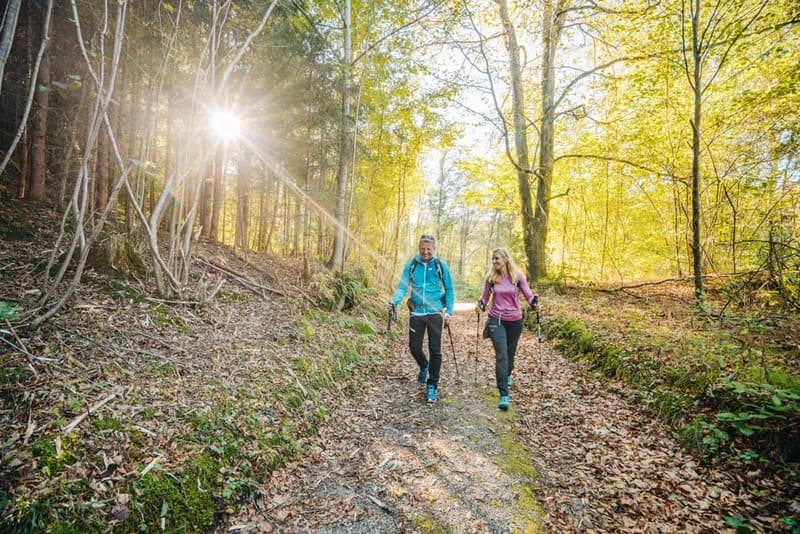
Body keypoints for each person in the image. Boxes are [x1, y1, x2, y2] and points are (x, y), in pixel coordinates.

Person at [388, 234, 455, 404]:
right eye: (423, 249)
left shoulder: (440, 266)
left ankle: (432, 385)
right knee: (414, 347)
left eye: (429, 249)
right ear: (419, 248)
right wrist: (394, 301)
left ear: (434, 249)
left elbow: (449, 289)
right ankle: (424, 365)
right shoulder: (412, 265)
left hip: (434, 313)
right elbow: (403, 286)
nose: (425, 252)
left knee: (435, 350)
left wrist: (449, 311)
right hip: (416, 312)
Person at [477, 247, 538, 411]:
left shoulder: (517, 277)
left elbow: (528, 295)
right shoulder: (491, 278)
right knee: (501, 355)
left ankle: (508, 373)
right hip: (496, 319)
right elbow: (484, 298)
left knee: (510, 355)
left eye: (497, 258)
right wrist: (480, 305)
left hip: (515, 321)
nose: (494, 261)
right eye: (493, 259)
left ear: (505, 259)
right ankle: (503, 393)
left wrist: (534, 303)